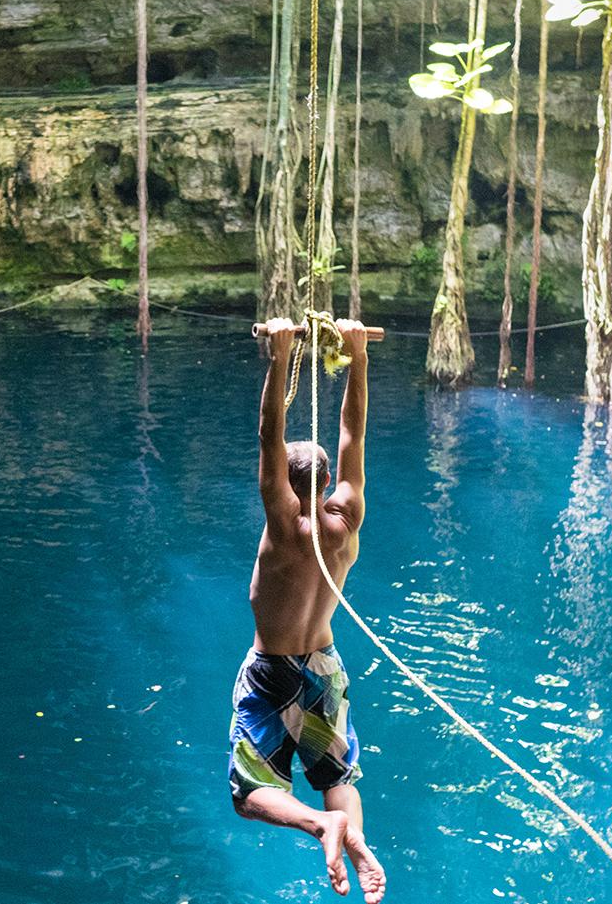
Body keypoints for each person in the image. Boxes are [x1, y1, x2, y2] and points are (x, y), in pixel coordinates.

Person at [228, 317, 386, 902]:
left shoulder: (283, 521)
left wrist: (279, 356)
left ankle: (321, 826)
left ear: (289, 486)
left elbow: (269, 433)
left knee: (248, 794)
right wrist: (357, 356)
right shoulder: (345, 516)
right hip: (325, 668)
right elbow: (353, 433)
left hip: (271, 672)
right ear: (325, 481)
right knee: (336, 776)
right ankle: (355, 840)